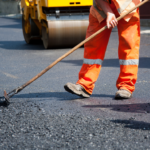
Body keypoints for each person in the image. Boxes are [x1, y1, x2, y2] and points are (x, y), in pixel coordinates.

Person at [64, 0, 141, 99]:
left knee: (129, 44)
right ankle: (85, 84)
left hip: (127, 6)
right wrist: (109, 12)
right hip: (101, 7)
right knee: (93, 44)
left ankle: (126, 86)